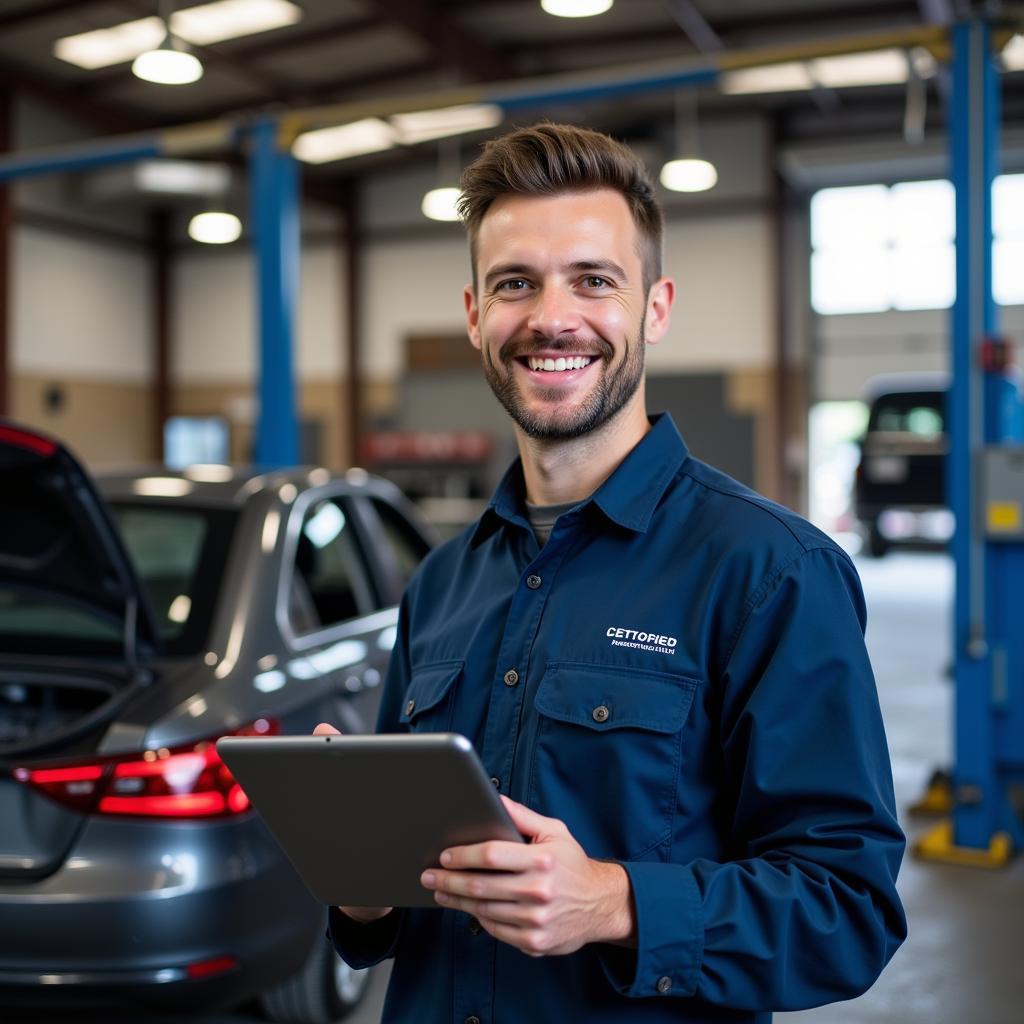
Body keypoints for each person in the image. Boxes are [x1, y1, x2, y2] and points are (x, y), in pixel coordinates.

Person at [322, 122, 907, 1023]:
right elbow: (402, 914)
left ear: (655, 308)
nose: (553, 318)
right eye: (516, 283)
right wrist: (360, 882)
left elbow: (850, 910)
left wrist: (617, 902)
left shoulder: (769, 572)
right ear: (477, 314)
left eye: (594, 280)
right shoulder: (441, 585)